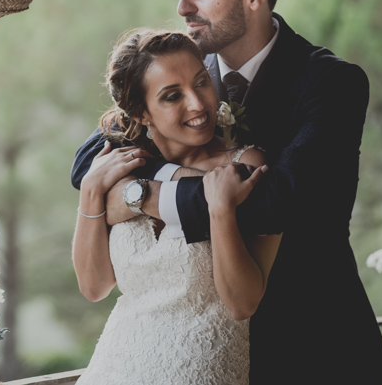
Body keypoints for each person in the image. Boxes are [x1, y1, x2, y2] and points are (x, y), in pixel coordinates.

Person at [71, 0, 382, 384]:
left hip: (317, 353)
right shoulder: (188, 72)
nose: (182, 6)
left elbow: (277, 199)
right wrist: (131, 190)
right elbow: (90, 158)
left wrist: (136, 197)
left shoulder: (331, 83)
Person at [73, 29, 281, 384]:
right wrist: (90, 190)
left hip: (200, 371)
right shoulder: (118, 169)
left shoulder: (243, 164)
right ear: (141, 114)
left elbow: (242, 304)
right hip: (115, 365)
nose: (198, 104)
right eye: (172, 96)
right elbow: (95, 287)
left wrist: (220, 211)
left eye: (201, 82)